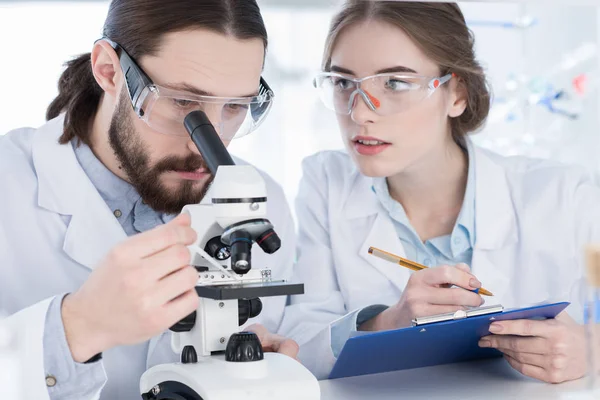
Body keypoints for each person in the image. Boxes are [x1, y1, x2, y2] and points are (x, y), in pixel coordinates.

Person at [278, 0, 600, 383]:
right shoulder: (326, 183)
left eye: (395, 83)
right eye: (344, 83)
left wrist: (591, 351)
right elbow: (297, 343)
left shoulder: (563, 194)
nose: (359, 113)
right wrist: (387, 322)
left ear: (457, 94)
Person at [0, 1, 299, 399]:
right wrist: (79, 325)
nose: (208, 141)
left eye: (235, 107)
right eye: (182, 102)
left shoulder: (260, 201)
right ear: (109, 70)